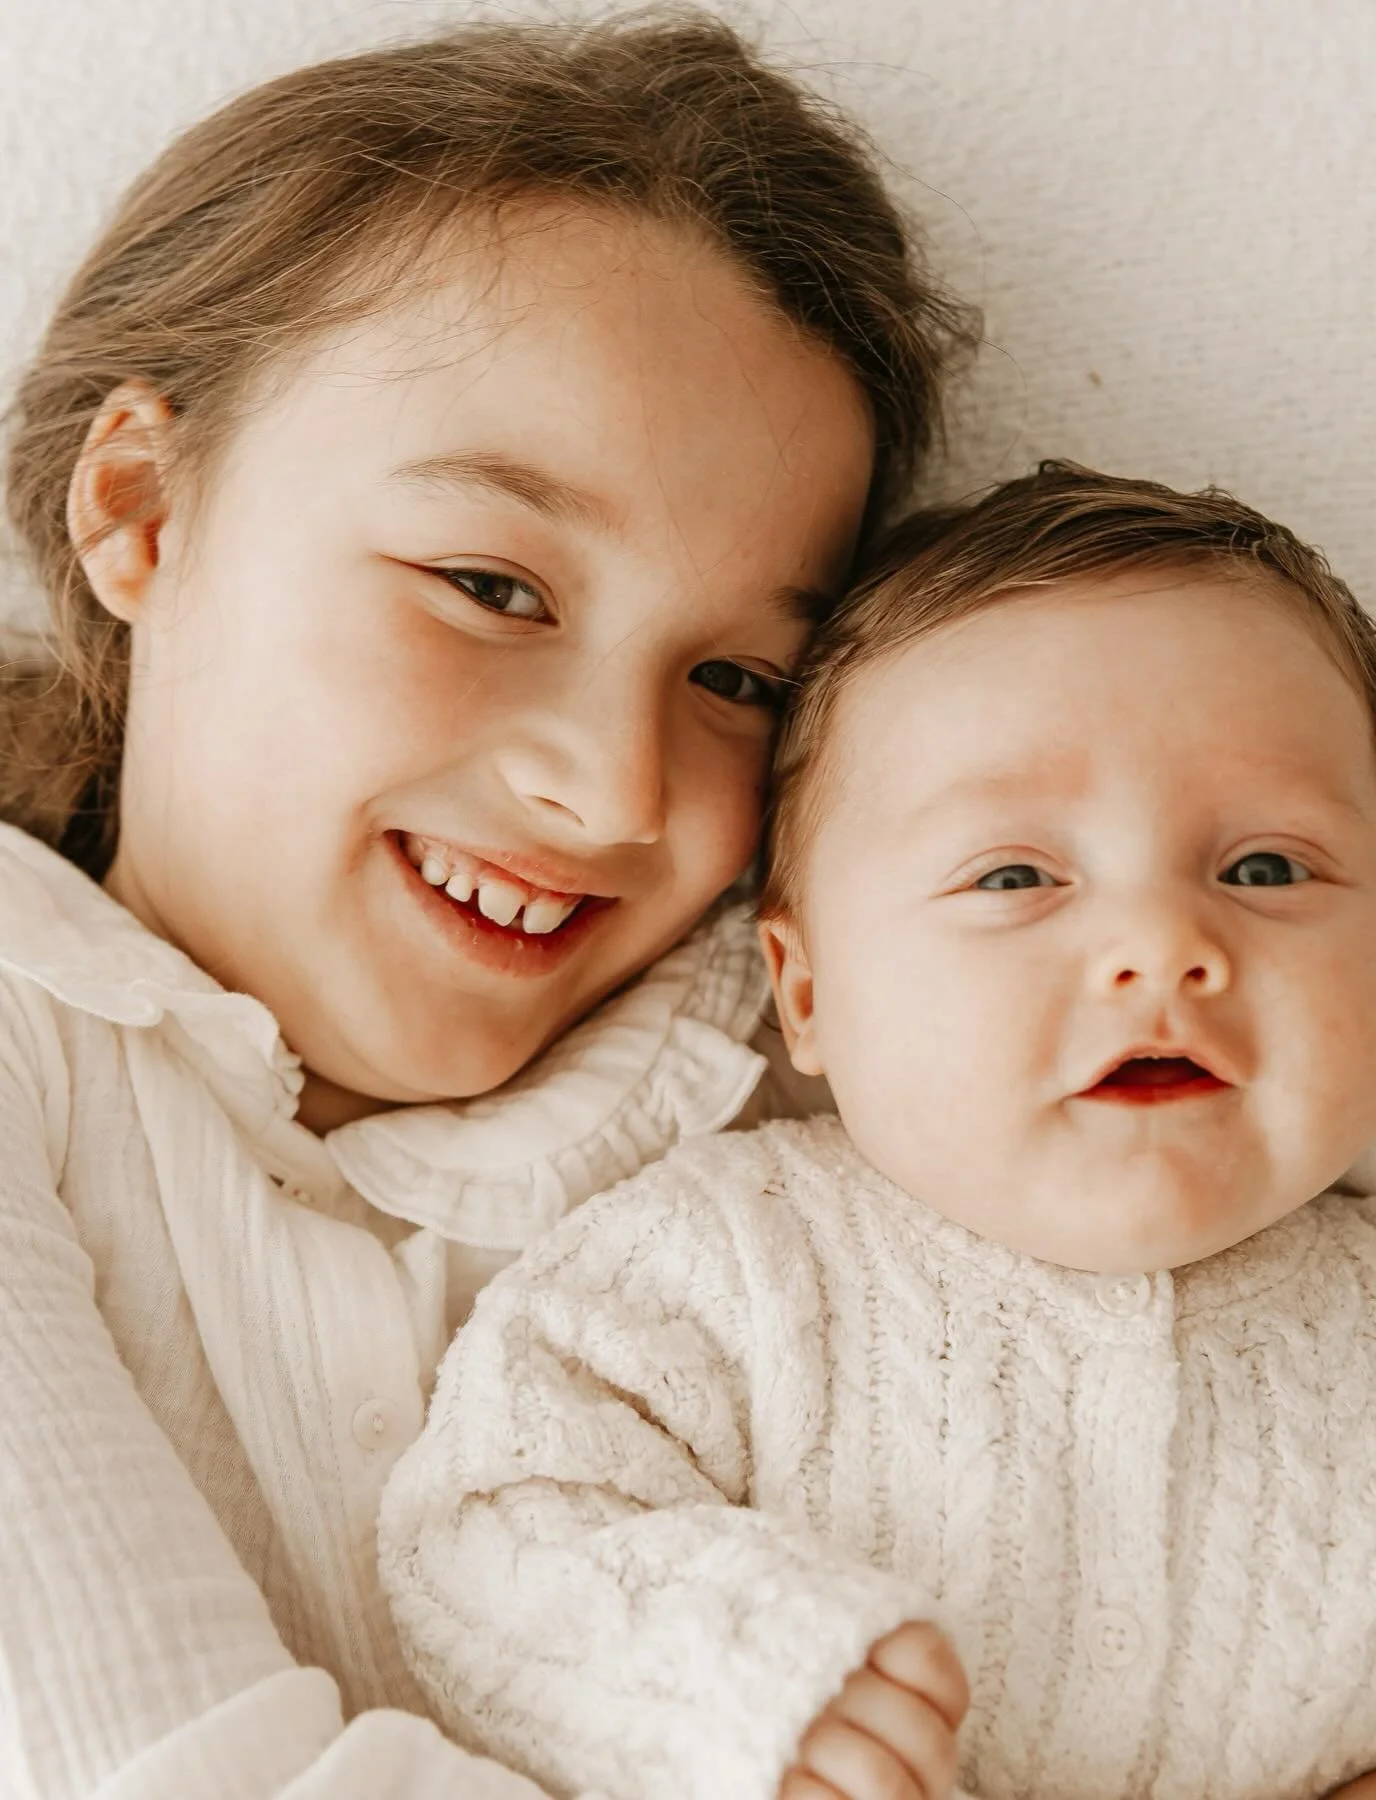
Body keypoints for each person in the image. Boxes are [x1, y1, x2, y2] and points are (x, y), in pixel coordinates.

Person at [0, 12, 973, 1793]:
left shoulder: (831, 1077)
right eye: (488, 585)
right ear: (137, 508)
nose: (615, 788)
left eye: (742, 680)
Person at [380, 463, 1376, 1800]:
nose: (1165, 946)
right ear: (808, 992)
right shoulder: (726, 1263)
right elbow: (488, 1528)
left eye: (1267, 868)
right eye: (1014, 876)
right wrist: (750, 1681)